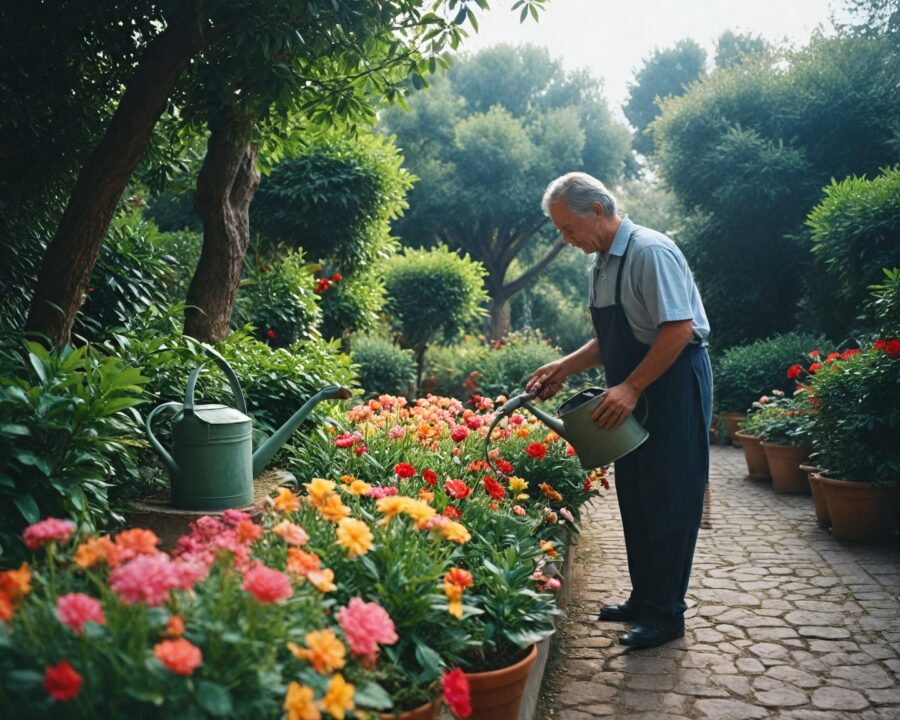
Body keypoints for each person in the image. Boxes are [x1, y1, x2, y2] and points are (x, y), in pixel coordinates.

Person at [527, 172, 712, 650]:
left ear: (597, 210)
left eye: (568, 228)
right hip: (636, 384)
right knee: (636, 491)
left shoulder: (650, 251)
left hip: (672, 383)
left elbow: (677, 329)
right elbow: (611, 339)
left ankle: (666, 614)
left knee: (671, 495)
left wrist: (630, 387)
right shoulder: (601, 264)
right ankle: (644, 598)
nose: (566, 239)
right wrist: (564, 367)